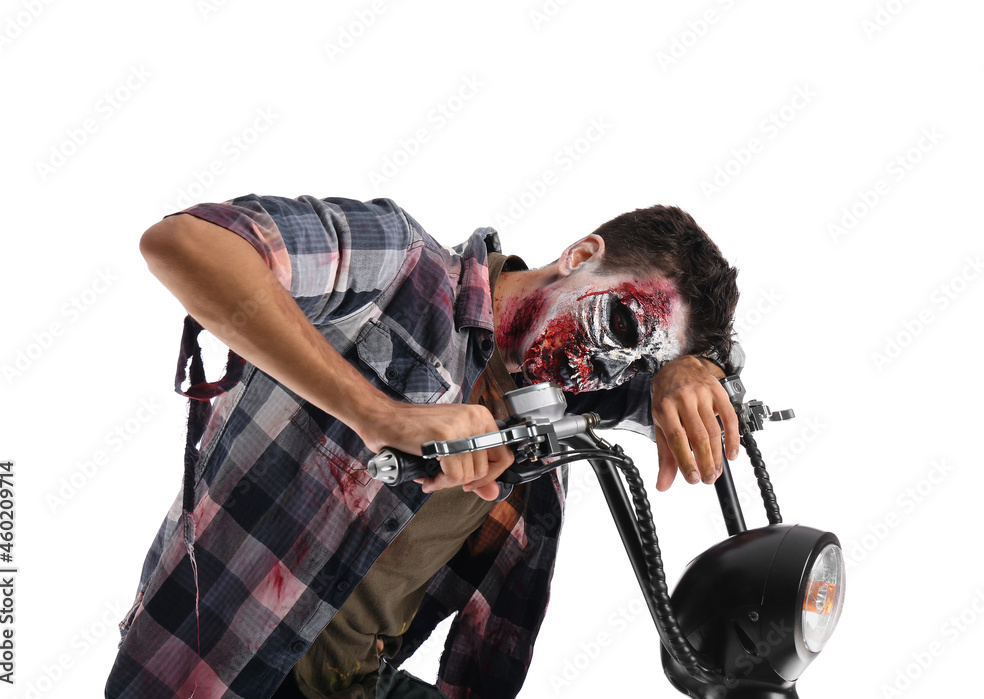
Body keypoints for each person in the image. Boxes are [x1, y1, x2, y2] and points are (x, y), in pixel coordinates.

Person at [105, 193, 742, 699]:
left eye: (638, 368)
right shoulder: (408, 271)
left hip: (346, 682)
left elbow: (727, 388)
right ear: (580, 256)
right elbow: (187, 242)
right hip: (218, 665)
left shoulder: (568, 386)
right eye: (624, 323)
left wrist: (693, 369)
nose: (602, 368)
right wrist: (379, 415)